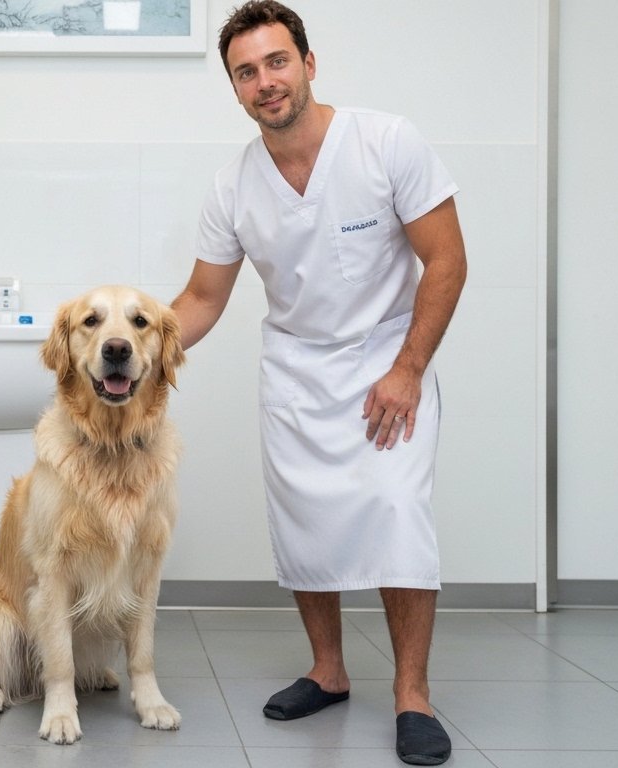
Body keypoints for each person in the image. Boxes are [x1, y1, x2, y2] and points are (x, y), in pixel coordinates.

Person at [170, 2, 466, 765]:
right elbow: (202, 299)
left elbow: (447, 260)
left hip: (385, 362)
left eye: (276, 62)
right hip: (298, 370)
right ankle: (328, 671)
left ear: (308, 62)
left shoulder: (385, 142)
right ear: (234, 89)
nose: (265, 82)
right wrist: (128, 350)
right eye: (246, 72)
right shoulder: (233, 184)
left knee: (398, 510)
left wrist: (407, 370)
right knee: (307, 523)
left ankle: (411, 695)